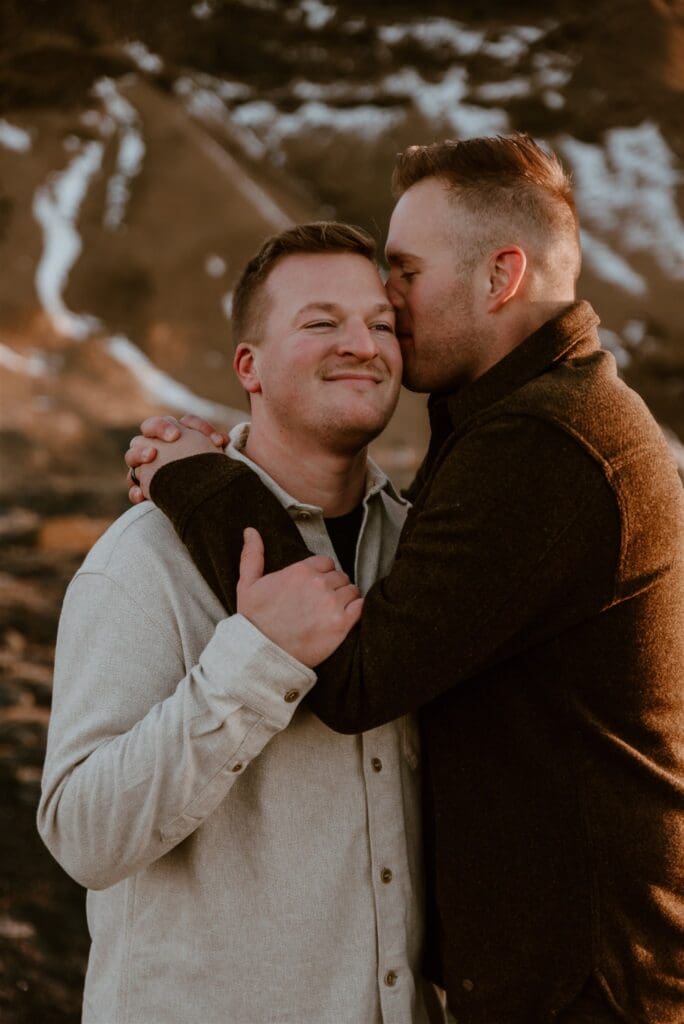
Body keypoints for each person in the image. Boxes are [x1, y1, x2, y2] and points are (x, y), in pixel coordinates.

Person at [127, 134, 684, 1024]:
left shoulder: (544, 442)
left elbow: (359, 676)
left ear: (501, 276)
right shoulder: (531, 415)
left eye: (407, 271)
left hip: (583, 988)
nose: (389, 298)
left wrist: (202, 484)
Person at [38, 222, 442, 1024]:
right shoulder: (145, 559)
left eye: (381, 323)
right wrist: (257, 657)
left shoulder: (424, 553)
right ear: (247, 366)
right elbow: (83, 835)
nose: (362, 344)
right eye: (321, 322)